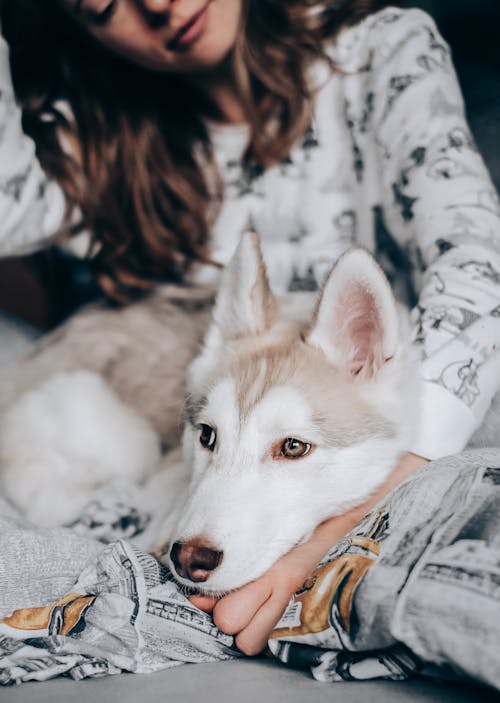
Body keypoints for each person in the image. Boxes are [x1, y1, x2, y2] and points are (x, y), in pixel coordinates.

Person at [1, 0, 499, 656]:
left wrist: (328, 538)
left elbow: (480, 265)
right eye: (103, 5)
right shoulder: (103, 140)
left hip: (387, 400)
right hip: (142, 389)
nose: (155, 3)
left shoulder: (382, 52)